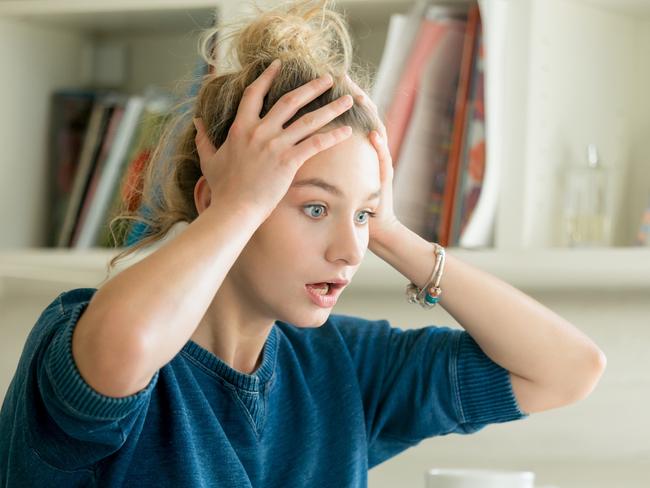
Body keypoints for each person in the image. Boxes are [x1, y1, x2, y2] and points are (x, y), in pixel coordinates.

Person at [0, 1, 606, 486]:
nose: (349, 250)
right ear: (219, 202)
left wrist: (391, 232)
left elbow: (567, 370)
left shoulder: (341, 365)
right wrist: (239, 205)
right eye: (314, 207)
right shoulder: (80, 336)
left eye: (362, 216)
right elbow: (128, 348)